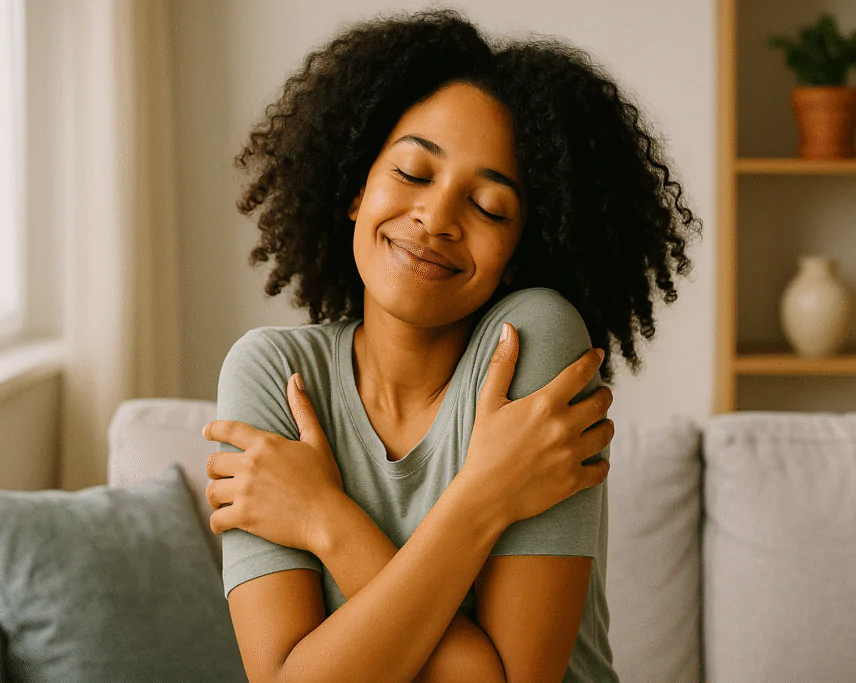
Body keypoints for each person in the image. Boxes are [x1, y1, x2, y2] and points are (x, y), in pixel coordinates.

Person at [201, 7, 700, 683]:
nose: (435, 218)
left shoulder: (532, 342)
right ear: (355, 187)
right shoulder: (270, 374)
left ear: (522, 251)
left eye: (489, 207)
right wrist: (487, 493)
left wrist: (325, 518)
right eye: (412, 172)